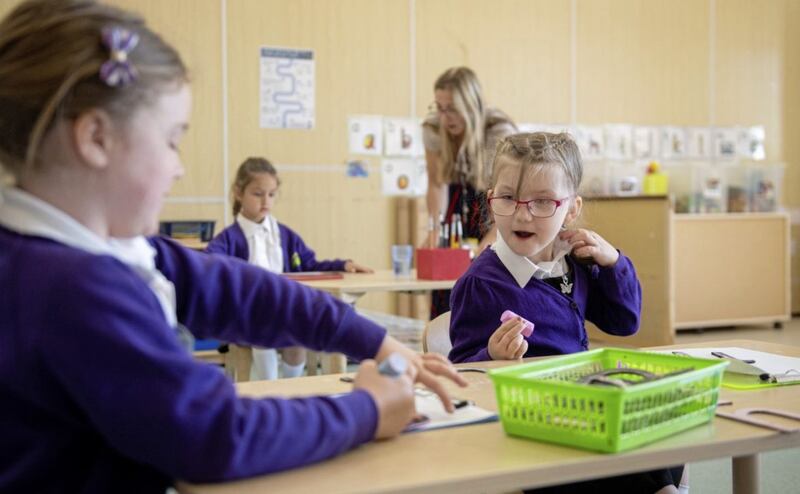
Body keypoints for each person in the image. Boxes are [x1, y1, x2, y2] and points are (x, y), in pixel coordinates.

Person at [0, 1, 465, 491]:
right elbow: (214, 435)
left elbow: (235, 289)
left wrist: (370, 340)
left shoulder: (93, 248)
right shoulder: (72, 287)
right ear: (96, 138)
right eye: (172, 140)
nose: (178, 167)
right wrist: (366, 410)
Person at [448, 132, 682, 493]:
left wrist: (613, 263)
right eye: (509, 198)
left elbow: (625, 322)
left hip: (582, 411)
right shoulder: (482, 284)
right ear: (491, 199)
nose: (523, 214)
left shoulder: (577, 262)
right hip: (533, 437)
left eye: (543, 202)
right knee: (631, 458)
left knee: (664, 434)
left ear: (571, 209)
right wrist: (492, 355)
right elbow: (464, 373)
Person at [206, 157, 372, 379]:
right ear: (239, 193)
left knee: (299, 331)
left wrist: (342, 265)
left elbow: (310, 265)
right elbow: (210, 264)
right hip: (246, 314)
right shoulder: (228, 238)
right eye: (258, 194)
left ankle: (291, 387)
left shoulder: (285, 236)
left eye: (271, 194)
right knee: (263, 328)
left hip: (284, 307)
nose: (266, 200)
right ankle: (269, 385)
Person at [421, 66, 516, 316]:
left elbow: (509, 194)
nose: (445, 117)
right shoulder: (432, 128)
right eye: (439, 108)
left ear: (471, 104)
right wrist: (435, 231)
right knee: (446, 285)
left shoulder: (498, 130)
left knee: (486, 279)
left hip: (492, 204)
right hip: (456, 203)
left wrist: (493, 237)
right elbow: (435, 184)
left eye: (452, 108)